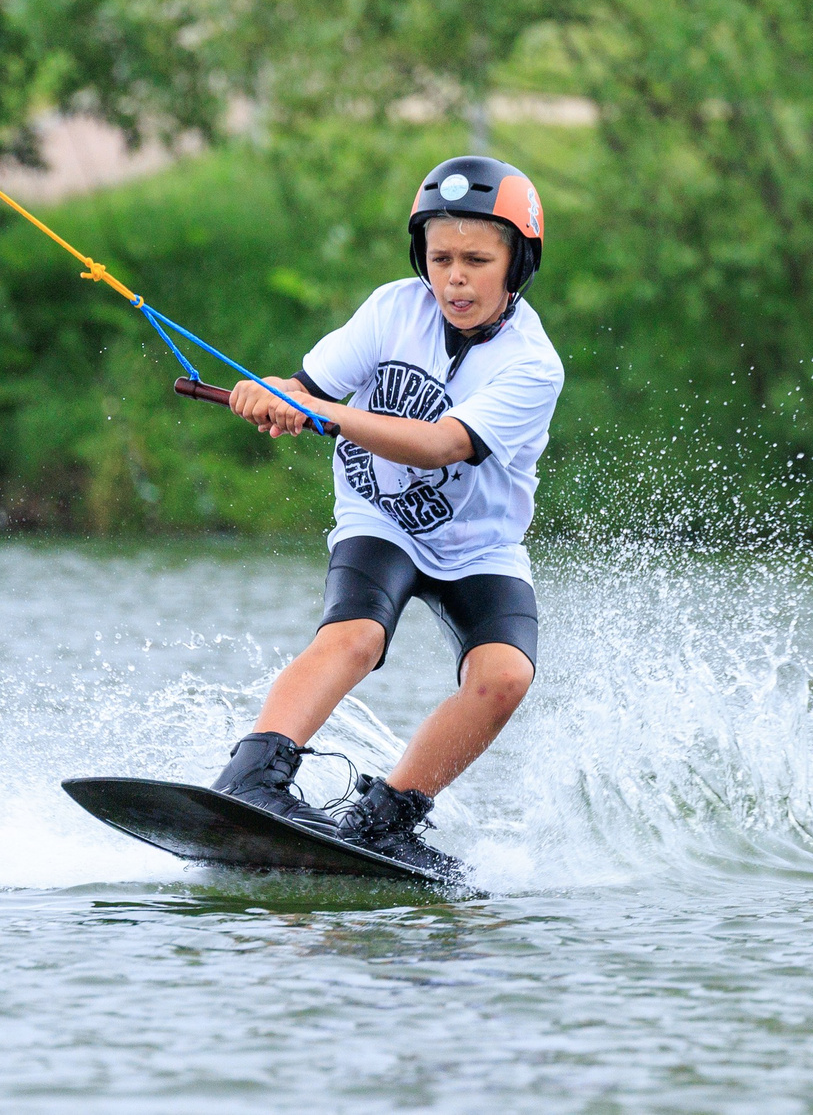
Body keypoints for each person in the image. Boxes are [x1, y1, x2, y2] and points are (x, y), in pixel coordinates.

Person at [208, 155, 562, 877]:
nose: (454, 277)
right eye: (440, 258)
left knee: (506, 676)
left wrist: (321, 412)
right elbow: (306, 386)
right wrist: (268, 391)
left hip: (480, 546)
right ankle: (254, 775)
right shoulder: (393, 309)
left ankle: (386, 818)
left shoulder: (533, 366)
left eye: (476, 260)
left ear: (516, 264)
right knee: (358, 635)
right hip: (381, 515)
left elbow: (439, 446)